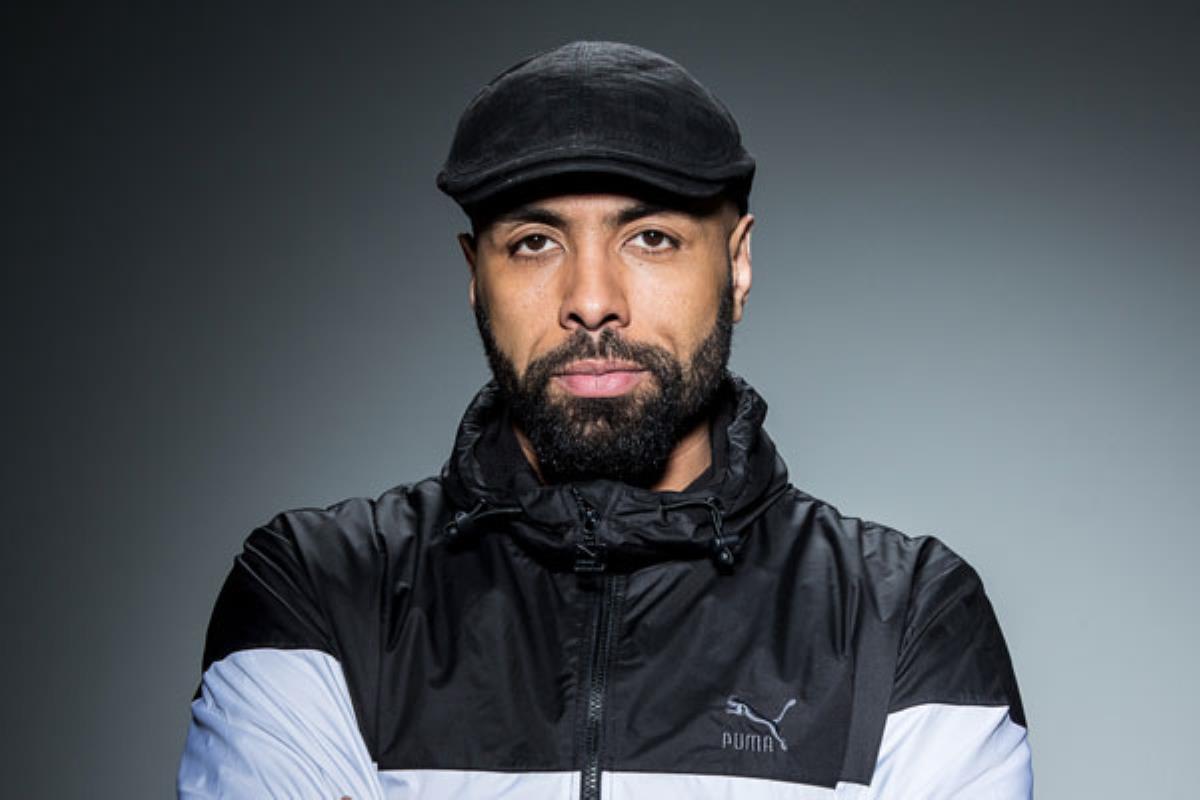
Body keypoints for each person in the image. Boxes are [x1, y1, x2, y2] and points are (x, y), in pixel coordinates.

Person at [177, 40, 1032, 799]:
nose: (591, 301)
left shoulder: (904, 617)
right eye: (535, 242)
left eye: (650, 237)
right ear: (475, 276)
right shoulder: (321, 592)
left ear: (736, 265)